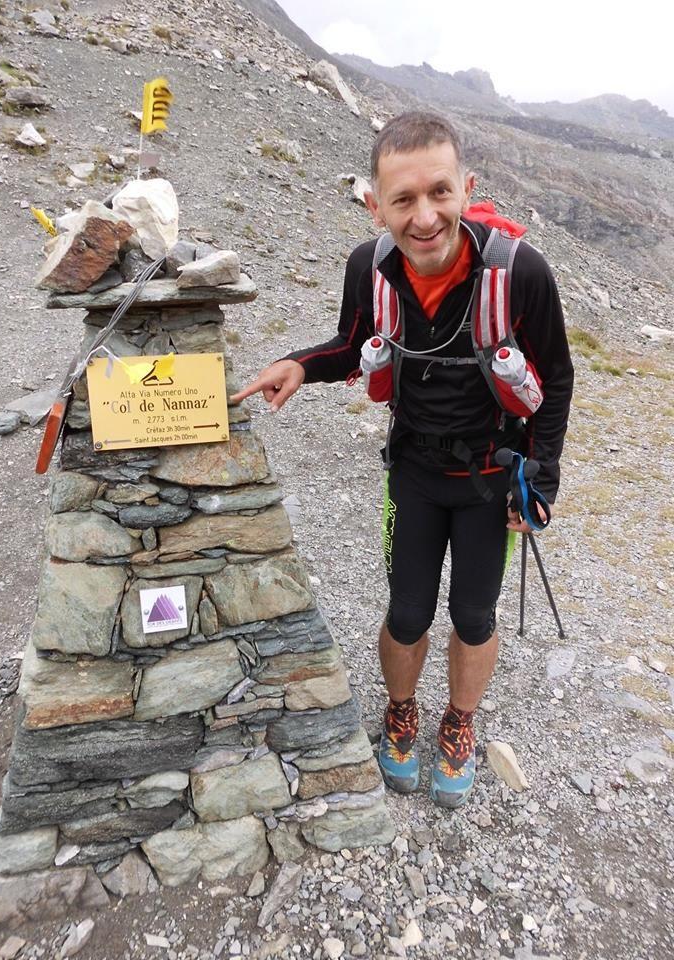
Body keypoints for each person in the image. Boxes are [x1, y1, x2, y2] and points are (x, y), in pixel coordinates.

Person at [231, 111, 574, 809]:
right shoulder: (371, 268)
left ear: (467, 188)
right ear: (376, 206)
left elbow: (557, 378)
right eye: (404, 199)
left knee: (474, 615)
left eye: (440, 192)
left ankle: (459, 722)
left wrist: (541, 478)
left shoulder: (520, 273)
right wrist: (299, 365)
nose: (424, 217)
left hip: (491, 478)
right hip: (413, 473)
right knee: (408, 610)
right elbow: (350, 344)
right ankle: (401, 711)